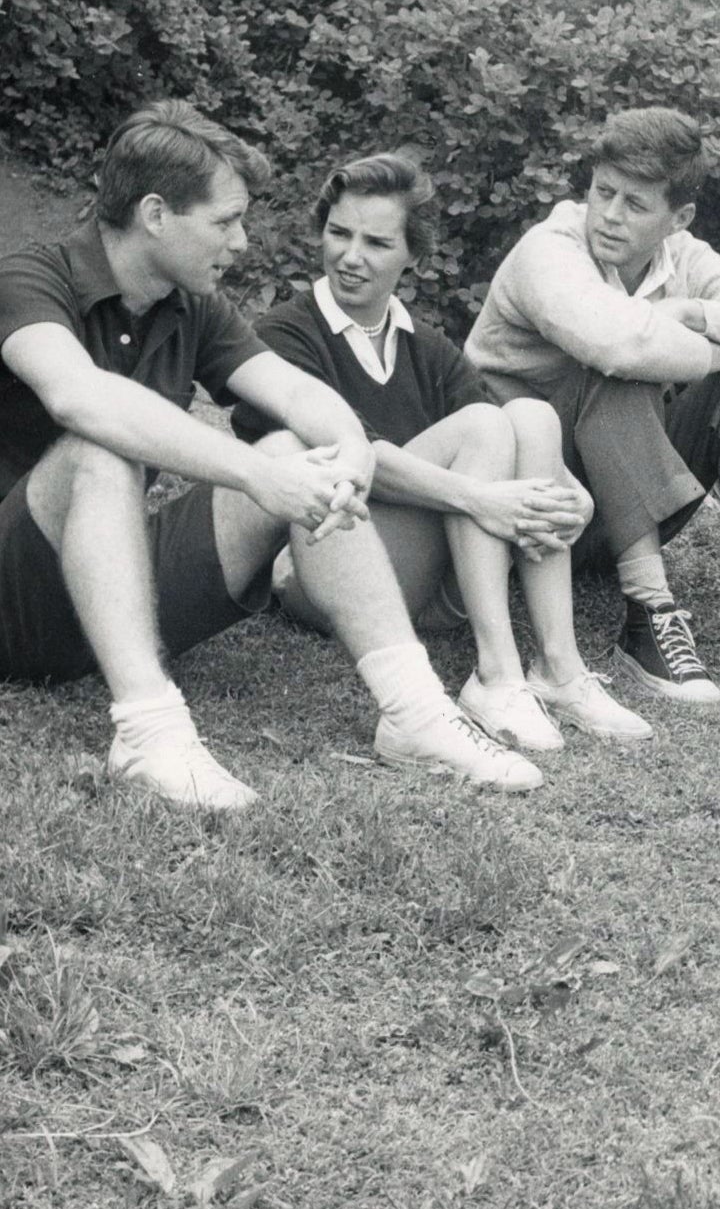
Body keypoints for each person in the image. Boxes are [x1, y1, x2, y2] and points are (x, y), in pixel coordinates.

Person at [0, 101, 543, 809]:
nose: (243, 242)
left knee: (298, 446)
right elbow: (80, 398)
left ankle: (413, 712)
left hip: (108, 593)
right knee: (99, 451)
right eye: (225, 221)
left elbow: (294, 393)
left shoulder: (191, 303)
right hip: (10, 591)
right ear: (157, 213)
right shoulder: (30, 276)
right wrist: (256, 472)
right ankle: (147, 733)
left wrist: (348, 449)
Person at [233, 152, 651, 749]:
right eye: (339, 233)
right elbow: (341, 452)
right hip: (325, 570)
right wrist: (479, 498)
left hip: (434, 578)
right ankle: (496, 674)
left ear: (412, 256)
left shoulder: (425, 346)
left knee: (529, 416)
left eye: (377, 242)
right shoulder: (284, 333)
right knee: (482, 425)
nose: (351, 257)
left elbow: (522, 446)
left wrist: (576, 502)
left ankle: (561, 669)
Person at [464, 106, 720, 706]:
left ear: (677, 218)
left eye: (635, 204)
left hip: (616, 507)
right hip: (521, 517)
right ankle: (648, 613)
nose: (609, 215)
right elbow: (618, 345)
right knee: (623, 372)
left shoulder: (683, 257)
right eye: (603, 192)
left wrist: (700, 315)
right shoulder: (549, 247)